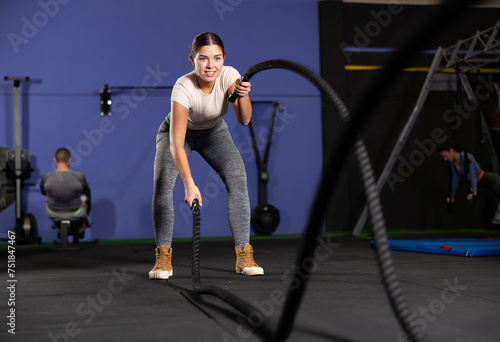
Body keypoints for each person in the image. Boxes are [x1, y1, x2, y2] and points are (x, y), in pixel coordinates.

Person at [149, 32, 264, 280]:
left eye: (217, 58)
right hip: (177, 135)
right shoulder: (183, 87)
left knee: (237, 177)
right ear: (192, 59)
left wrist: (243, 95)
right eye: (203, 59)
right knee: (163, 183)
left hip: (214, 132)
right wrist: (190, 185)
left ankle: (244, 253)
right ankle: (163, 257)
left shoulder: (230, 76)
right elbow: (177, 144)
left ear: (224, 59)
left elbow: (244, 120)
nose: (211, 65)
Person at [40, 147, 91, 229]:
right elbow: (85, 191)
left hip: (53, 212)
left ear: (54, 160)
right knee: (86, 193)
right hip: (76, 212)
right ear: (70, 160)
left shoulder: (46, 177)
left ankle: (58, 226)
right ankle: (86, 217)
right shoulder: (79, 176)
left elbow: (43, 192)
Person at [437, 139, 500, 204]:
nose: (445, 159)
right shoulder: (453, 163)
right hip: (483, 185)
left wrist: (474, 192)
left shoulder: (465, 156)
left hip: (490, 180)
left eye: (445, 156)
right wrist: (452, 196)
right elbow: (455, 179)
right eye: (443, 157)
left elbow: (472, 174)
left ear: (451, 150)